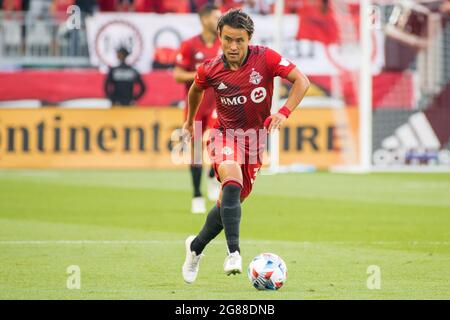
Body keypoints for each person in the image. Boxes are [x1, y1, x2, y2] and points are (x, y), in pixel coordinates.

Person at [181, 9, 310, 283]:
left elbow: (302, 81)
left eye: (239, 40)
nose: (233, 46)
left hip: (253, 144)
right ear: (219, 37)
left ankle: (195, 249)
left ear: (249, 38)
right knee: (231, 179)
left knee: (228, 203)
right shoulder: (211, 68)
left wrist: (283, 112)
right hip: (223, 135)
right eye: (227, 39)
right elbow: (195, 89)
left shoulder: (266, 58)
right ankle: (234, 253)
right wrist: (190, 121)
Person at [173, 3, 222, 214]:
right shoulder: (190, 45)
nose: (219, 21)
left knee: (222, 144)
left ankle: (213, 175)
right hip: (196, 105)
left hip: (219, 104)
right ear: (204, 19)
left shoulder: (224, 44)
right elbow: (177, 75)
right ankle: (196, 195)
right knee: (196, 151)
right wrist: (201, 75)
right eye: (216, 17)